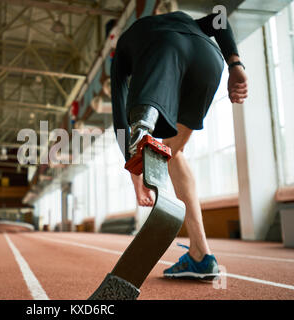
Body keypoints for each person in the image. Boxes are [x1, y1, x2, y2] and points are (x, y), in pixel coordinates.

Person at [110, 10, 248, 280]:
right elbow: (220, 17)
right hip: (210, 60)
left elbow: (117, 115)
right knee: (173, 152)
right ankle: (200, 255)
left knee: (145, 92)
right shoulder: (186, 23)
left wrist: (134, 168)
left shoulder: (122, 51)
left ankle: (144, 119)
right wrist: (236, 64)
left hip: (164, 52)